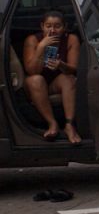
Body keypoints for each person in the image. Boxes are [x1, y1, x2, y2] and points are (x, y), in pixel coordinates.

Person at [23, 10, 81, 144]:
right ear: (42, 26)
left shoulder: (71, 39)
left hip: (56, 81)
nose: (52, 30)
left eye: (57, 26)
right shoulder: (32, 39)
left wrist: (61, 65)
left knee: (69, 79)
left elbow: (74, 68)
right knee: (36, 80)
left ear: (64, 27)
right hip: (36, 83)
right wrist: (41, 47)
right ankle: (52, 123)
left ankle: (69, 125)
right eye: (48, 26)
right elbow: (32, 71)